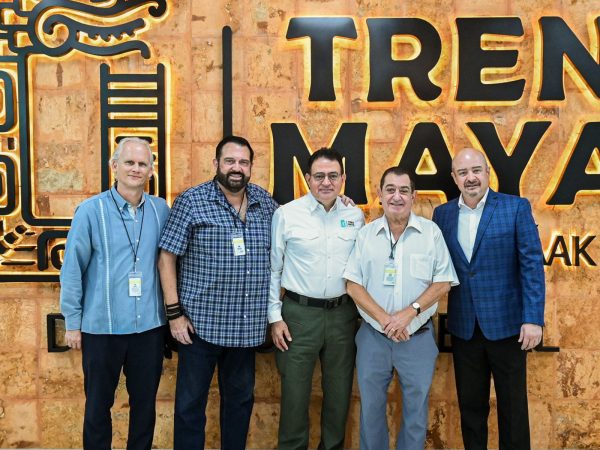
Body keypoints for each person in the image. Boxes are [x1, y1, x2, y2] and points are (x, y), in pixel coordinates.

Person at [157, 135, 278, 450]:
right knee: (189, 407)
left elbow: (298, 228)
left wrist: (339, 204)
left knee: (239, 405)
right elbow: (166, 257)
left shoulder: (266, 203)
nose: (237, 168)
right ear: (216, 164)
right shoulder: (192, 201)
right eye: (230, 161)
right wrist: (174, 315)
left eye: (243, 162)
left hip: (246, 329)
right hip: (199, 328)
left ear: (251, 166)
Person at [60, 137, 170, 450]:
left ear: (151, 170)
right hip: (101, 329)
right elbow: (72, 269)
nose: (136, 169)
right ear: (114, 166)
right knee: (97, 408)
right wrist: (72, 323)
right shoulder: (90, 211)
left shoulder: (161, 210)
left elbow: (169, 262)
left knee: (144, 408)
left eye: (142, 163)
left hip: (149, 329)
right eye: (129, 162)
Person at [432, 148, 545, 450]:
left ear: (487, 172)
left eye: (476, 170)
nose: (470, 178)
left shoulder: (515, 207)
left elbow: (532, 265)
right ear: (454, 178)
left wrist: (533, 318)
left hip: (508, 327)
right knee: (471, 409)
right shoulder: (442, 215)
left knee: (513, 409)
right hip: (464, 328)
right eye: (463, 173)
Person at [343, 166, 458, 450]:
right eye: (390, 190)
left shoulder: (431, 233)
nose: (397, 196)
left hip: (417, 338)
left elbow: (444, 282)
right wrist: (386, 320)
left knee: (416, 415)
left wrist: (408, 314)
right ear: (380, 194)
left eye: (404, 190)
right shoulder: (366, 234)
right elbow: (353, 285)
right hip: (373, 338)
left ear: (413, 196)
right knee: (370, 412)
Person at [269, 147, 365, 450]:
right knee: (295, 395)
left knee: (339, 394)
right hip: (298, 316)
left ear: (343, 179)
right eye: (319, 176)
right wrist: (275, 317)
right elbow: (273, 269)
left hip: (343, 315)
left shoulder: (355, 215)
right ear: (308, 178)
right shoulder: (287, 214)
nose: (326, 182)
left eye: (333, 176)